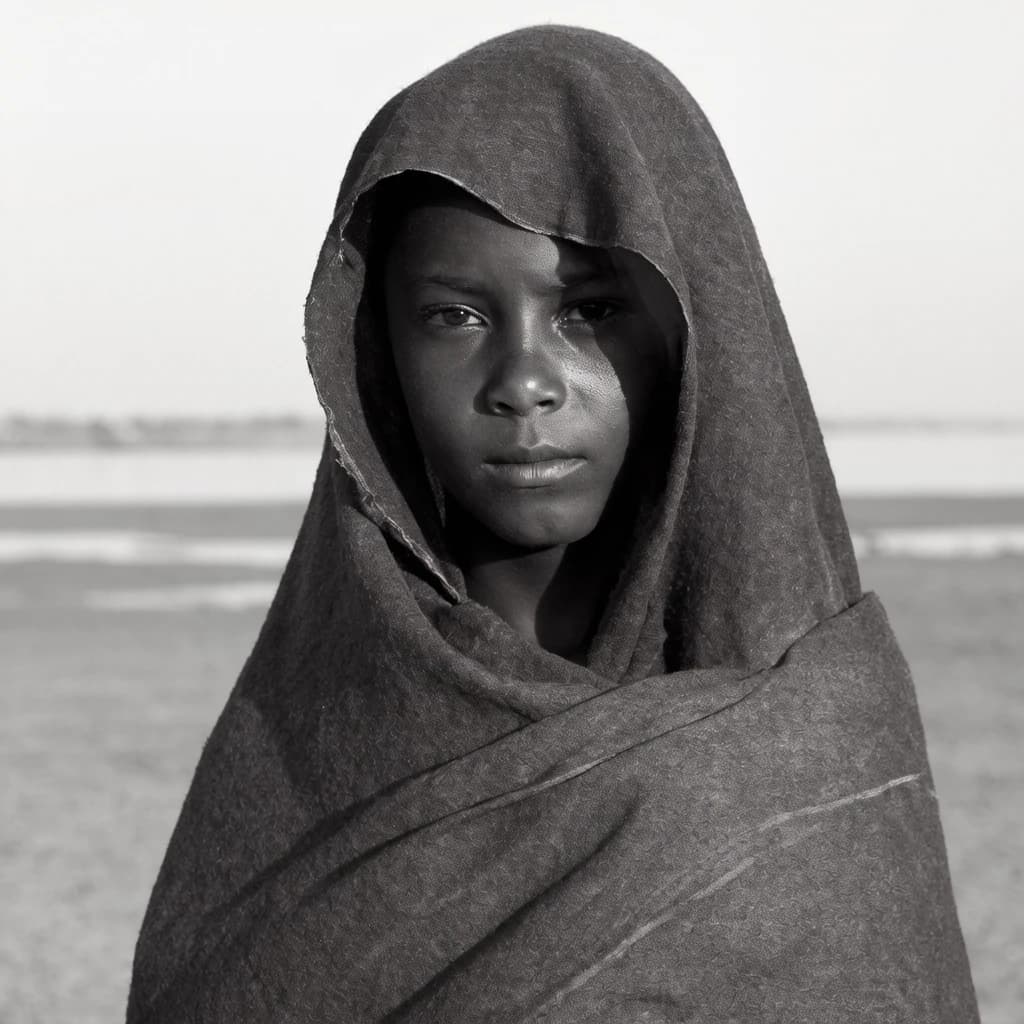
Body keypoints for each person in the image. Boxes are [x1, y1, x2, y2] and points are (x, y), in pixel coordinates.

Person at [127, 25, 979, 1023]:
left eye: (588, 312)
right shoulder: (293, 751)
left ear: (695, 332)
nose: (524, 381)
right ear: (374, 357)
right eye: (455, 316)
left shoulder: (815, 753)